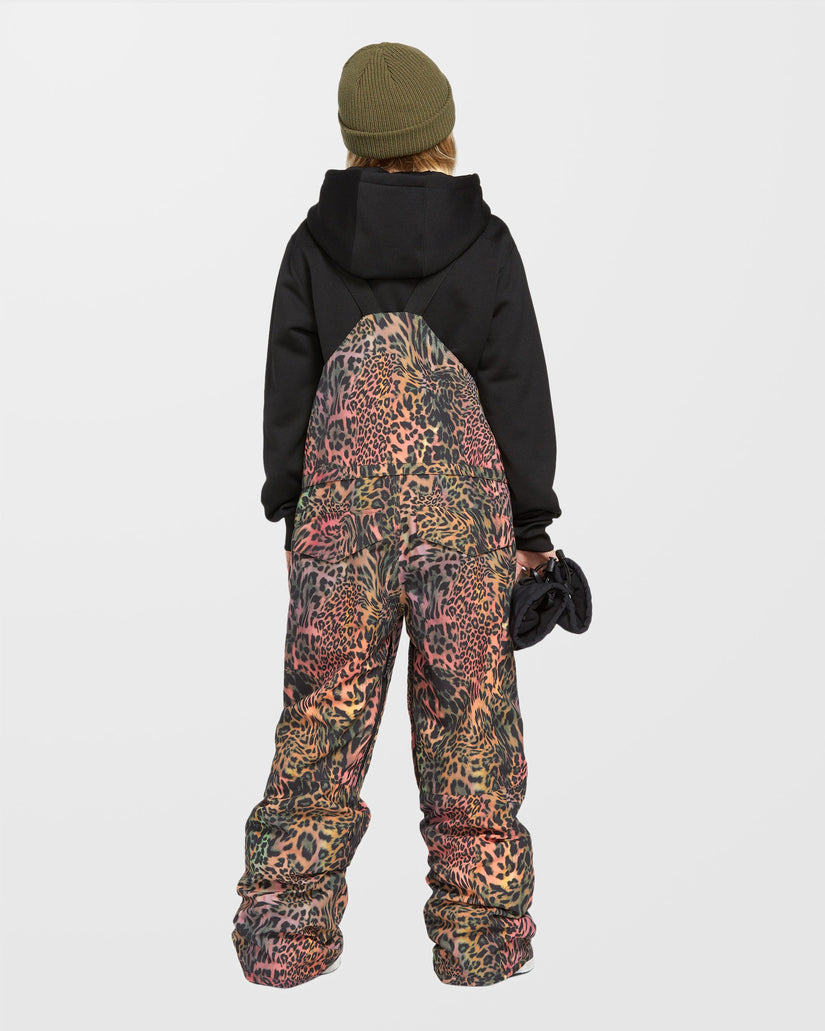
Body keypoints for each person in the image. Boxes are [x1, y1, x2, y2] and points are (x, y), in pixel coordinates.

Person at [231, 41, 563, 989]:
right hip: (463, 524)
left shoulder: (310, 245)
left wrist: (291, 510)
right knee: (470, 718)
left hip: (339, 521)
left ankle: (283, 942)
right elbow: (515, 392)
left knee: (322, 714)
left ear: (353, 140)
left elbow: (289, 388)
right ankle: (481, 941)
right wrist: (530, 531)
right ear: (441, 133)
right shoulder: (486, 244)